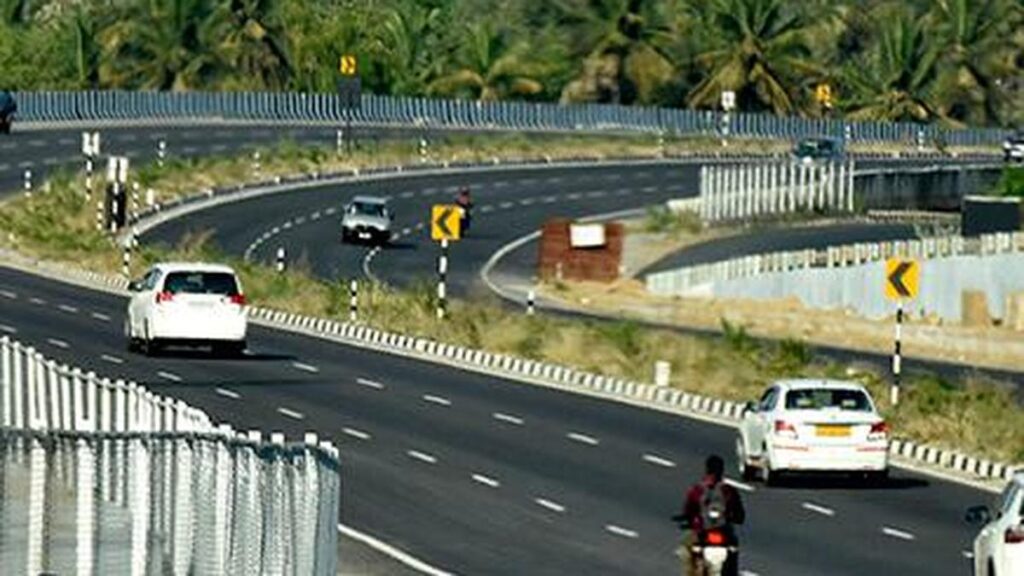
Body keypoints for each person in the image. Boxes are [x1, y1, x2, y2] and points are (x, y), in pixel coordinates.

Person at [678, 455, 745, 576]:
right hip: (724, 532)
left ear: (707, 469)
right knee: (733, 550)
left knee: (686, 551)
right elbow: (739, 514)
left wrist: (688, 520)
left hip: (701, 532)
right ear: (722, 470)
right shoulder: (728, 490)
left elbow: (688, 510)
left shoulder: (697, 490)